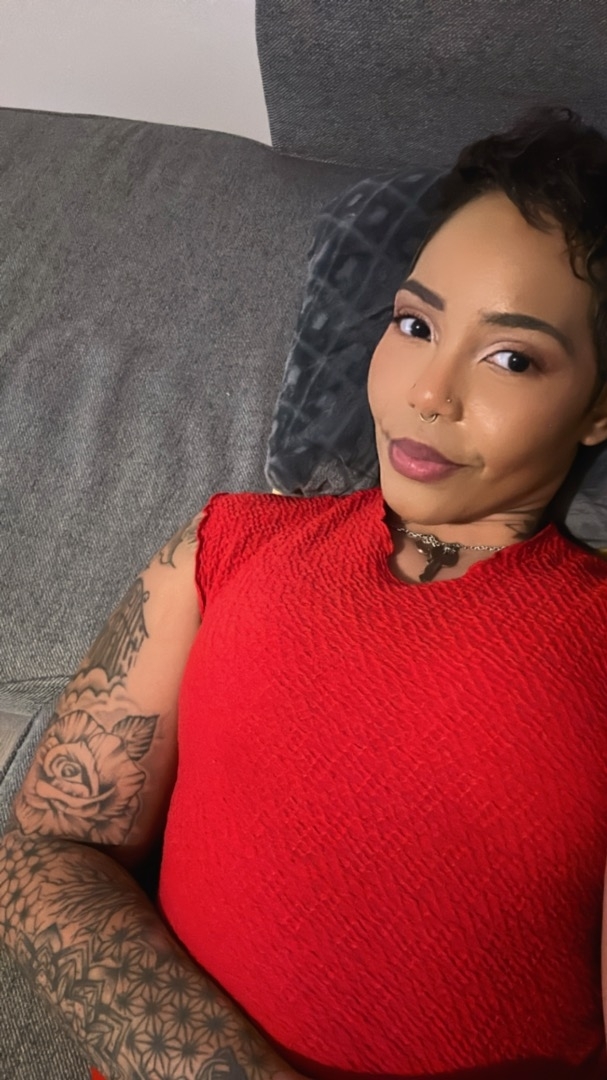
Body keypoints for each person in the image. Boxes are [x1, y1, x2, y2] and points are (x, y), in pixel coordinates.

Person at [2, 103, 607, 1080]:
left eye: (511, 357)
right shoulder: (227, 546)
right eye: (414, 324)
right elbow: (45, 848)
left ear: (597, 407)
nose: (428, 392)